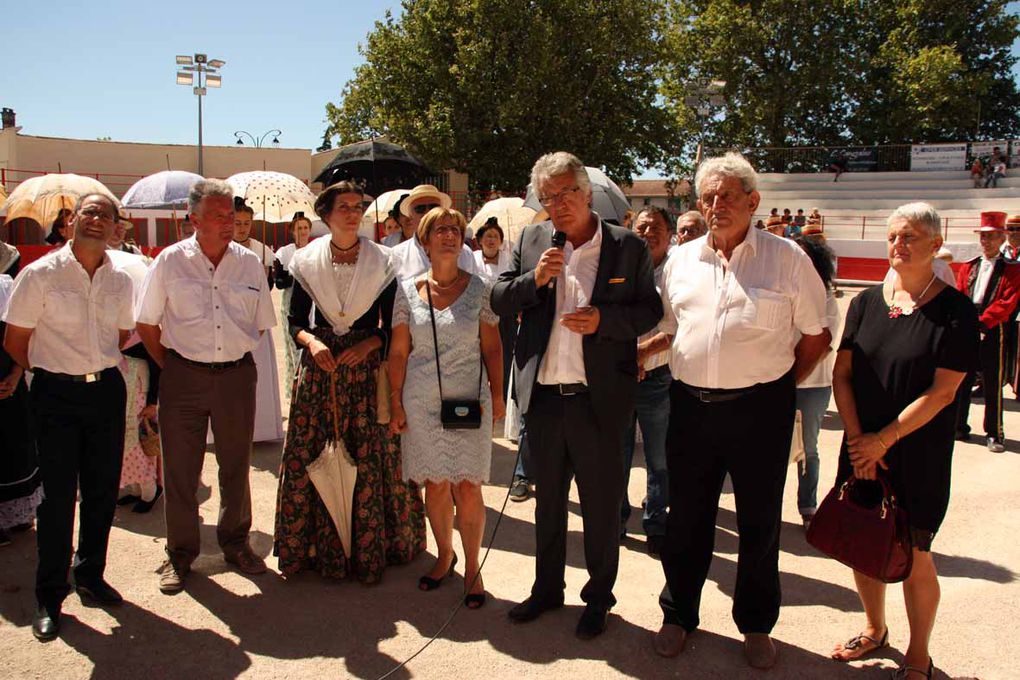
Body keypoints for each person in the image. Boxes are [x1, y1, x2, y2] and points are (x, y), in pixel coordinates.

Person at [651, 152, 830, 668]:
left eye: (728, 195)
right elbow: (670, 329)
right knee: (686, 519)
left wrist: (777, 388)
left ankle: (755, 624)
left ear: (753, 201)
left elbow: (817, 336)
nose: (716, 205)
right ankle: (678, 614)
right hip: (689, 409)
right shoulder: (681, 261)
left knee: (758, 523)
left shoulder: (789, 258)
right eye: (708, 197)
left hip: (761, 411)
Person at [492, 151, 662, 639]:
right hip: (545, 397)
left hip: (598, 400)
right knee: (548, 505)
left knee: (601, 508)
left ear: (588, 194)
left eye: (567, 192)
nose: (559, 203)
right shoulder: (533, 239)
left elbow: (650, 310)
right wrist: (535, 279)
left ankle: (598, 599)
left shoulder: (627, 247)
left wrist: (604, 322)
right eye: (549, 196)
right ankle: (547, 589)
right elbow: (500, 297)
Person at [828, 202, 979, 680]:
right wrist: (858, 443)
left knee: (915, 554)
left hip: (917, 452)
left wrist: (882, 442)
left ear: (936, 246)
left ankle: (918, 656)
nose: (899, 244)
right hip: (861, 447)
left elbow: (943, 391)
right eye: (894, 236)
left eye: (911, 236)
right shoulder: (866, 303)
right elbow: (843, 373)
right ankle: (875, 629)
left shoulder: (956, 311)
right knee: (864, 542)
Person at [274, 181, 426, 583]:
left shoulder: (383, 261)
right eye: (344, 207)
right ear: (326, 214)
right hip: (321, 367)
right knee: (313, 452)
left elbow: (393, 323)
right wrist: (311, 341)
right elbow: (293, 323)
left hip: (363, 368)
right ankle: (313, 551)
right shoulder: (305, 261)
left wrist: (372, 343)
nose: (353, 213)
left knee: (370, 455)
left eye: (358, 206)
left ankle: (372, 551)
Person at [3, 193, 135, 641]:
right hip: (55, 395)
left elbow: (120, 334)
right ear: (71, 220)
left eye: (107, 215)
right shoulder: (38, 274)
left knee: (101, 493)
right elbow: (15, 341)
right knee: (56, 500)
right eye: (90, 212)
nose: (98, 220)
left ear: (117, 226)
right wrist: (51, 369)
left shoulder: (121, 280)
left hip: (106, 394)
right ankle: (50, 594)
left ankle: (90, 576)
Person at [135, 179, 277, 594]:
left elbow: (261, 323)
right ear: (193, 219)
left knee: (236, 465)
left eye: (231, 214)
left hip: (235, 376)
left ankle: (236, 544)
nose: (228, 221)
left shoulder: (249, 264)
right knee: (181, 470)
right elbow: (146, 322)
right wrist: (173, 367)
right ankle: (180, 554)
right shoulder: (168, 262)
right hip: (183, 377)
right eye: (218, 215)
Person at [389, 206, 505, 608]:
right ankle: (444, 556)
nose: (450, 236)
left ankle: (472, 567)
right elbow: (399, 352)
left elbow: (492, 347)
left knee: (468, 485)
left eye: (455, 230)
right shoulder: (405, 291)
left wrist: (499, 397)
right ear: (424, 240)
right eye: (440, 230)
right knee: (435, 484)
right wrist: (395, 402)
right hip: (420, 403)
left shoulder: (480, 290)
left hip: (469, 401)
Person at [624, 206, 674, 556]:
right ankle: (616, 520)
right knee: (617, 455)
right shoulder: (620, 268)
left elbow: (679, 325)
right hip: (621, 378)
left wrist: (642, 353)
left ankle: (656, 524)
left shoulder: (680, 272)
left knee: (659, 460)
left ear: (669, 235)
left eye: (656, 227)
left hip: (658, 377)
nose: (648, 232)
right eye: (642, 226)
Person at [953, 211, 1020, 452]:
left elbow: (1008, 301)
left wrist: (984, 322)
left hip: (994, 328)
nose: (986, 241)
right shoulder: (969, 266)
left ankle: (994, 433)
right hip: (970, 325)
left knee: (992, 382)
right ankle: (958, 426)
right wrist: (967, 323)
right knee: (962, 379)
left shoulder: (1012, 269)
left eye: (991, 236)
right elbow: (960, 295)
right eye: (983, 236)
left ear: (1002, 237)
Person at [792, 236, 841, 529]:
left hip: (811, 385)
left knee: (807, 449)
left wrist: (789, 378)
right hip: (777, 381)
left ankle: (808, 506)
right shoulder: (781, 287)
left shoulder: (826, 296)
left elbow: (823, 345)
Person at [231, 198, 284, 442]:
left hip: (256, 321)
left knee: (259, 374)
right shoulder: (222, 247)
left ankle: (260, 430)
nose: (242, 228)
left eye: (246, 223)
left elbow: (272, 286)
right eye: (237, 223)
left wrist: (265, 277)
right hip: (231, 320)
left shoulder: (262, 249)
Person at [0, 273, 42, 547]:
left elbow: (23, 336)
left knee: (16, 447)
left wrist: (16, 375)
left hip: (10, 385)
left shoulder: (6, 285)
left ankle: (16, 515)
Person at [389, 184, 476, 279]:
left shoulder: (465, 253)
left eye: (433, 208)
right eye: (420, 209)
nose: (428, 213)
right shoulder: (397, 256)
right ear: (410, 217)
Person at [271, 212, 314, 386]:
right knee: (293, 348)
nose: (303, 231)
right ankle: (294, 386)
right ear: (292, 231)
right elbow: (279, 282)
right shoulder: (285, 252)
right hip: (290, 303)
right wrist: (295, 275)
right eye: (299, 228)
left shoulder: (316, 249)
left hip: (313, 302)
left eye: (305, 228)